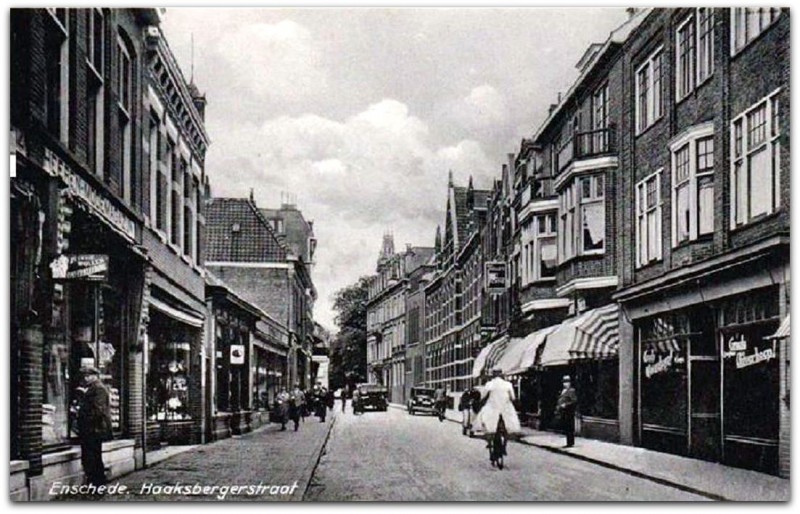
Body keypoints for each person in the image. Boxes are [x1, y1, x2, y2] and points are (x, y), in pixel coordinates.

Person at [77, 366, 113, 489]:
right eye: (85, 376)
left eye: (88, 376)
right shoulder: (94, 388)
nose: (86, 378)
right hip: (93, 428)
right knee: (93, 456)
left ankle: (96, 482)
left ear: (95, 376)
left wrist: (82, 415)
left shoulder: (98, 389)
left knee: (92, 456)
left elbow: (98, 410)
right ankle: (96, 481)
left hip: (94, 428)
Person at [473, 367, 522, 448]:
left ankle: (489, 443)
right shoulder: (508, 384)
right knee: (507, 427)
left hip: (492, 407)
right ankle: (504, 445)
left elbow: (483, 396)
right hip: (505, 408)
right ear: (501, 374)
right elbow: (513, 398)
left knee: (487, 424)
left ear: (493, 374)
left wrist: (480, 402)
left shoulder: (489, 384)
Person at [556, 375, 578, 448]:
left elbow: (574, 401)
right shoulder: (563, 390)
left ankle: (570, 443)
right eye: (564, 382)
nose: (565, 384)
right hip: (563, 412)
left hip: (569, 412)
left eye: (567, 382)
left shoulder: (571, 390)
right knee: (566, 427)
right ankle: (568, 442)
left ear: (570, 383)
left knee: (569, 427)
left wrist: (566, 404)